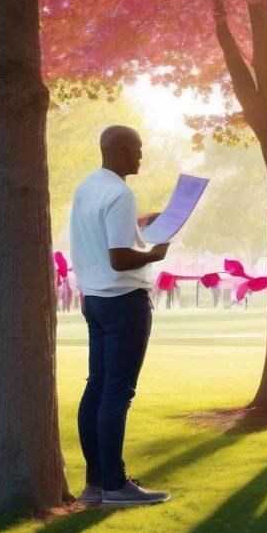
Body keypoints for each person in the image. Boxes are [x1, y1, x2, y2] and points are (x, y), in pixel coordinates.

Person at [71, 126, 172, 507]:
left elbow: (105, 238)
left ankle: (96, 482)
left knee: (97, 387)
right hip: (124, 300)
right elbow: (120, 257)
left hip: (95, 298)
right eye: (139, 151)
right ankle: (115, 484)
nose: (142, 157)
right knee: (117, 393)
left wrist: (138, 227)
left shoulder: (88, 187)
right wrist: (154, 254)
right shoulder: (119, 192)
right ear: (123, 152)